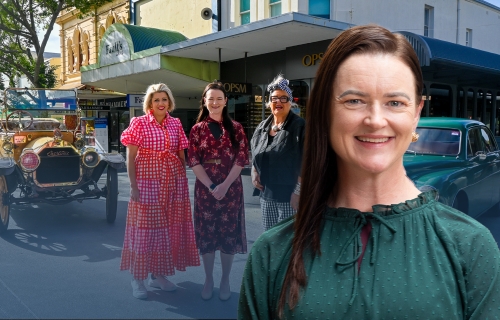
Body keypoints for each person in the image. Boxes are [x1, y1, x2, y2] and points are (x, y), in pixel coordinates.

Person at [239, 25, 500, 319]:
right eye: (354, 101)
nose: (376, 120)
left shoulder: (471, 247)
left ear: (416, 114)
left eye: (395, 102)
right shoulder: (272, 252)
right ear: (326, 113)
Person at [120, 83, 199, 299]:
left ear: (169, 101)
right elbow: (130, 157)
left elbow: (180, 153)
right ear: (150, 103)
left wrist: (181, 183)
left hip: (172, 182)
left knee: (166, 230)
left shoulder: (175, 124)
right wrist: (133, 186)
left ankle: (158, 274)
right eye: (156, 100)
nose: (161, 103)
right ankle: (137, 279)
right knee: (144, 231)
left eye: (164, 99)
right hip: (146, 182)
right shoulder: (139, 123)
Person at [188, 81, 249, 301]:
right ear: (204, 101)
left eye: (219, 98)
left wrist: (224, 185)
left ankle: (224, 279)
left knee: (227, 235)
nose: (214, 102)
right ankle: (208, 278)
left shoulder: (237, 128)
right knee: (207, 236)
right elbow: (193, 161)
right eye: (210, 98)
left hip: (231, 191)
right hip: (205, 191)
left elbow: (241, 159)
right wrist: (212, 186)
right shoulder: (197, 130)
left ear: (225, 102)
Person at [250, 74, 305, 230]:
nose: (278, 102)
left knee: (287, 242)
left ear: (290, 101)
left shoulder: (299, 126)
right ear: (269, 102)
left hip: (289, 196)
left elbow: (307, 161)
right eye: (274, 98)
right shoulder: (262, 126)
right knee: (270, 238)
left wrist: (298, 192)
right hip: (266, 194)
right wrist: (254, 172)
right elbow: (255, 151)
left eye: (283, 98)